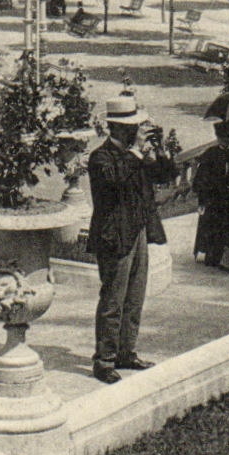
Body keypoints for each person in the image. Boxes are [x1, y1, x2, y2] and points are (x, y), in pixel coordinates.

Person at [86, 96, 177, 384]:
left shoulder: (132, 156)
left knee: (135, 298)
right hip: (114, 236)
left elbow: (167, 175)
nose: (135, 131)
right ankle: (104, 361)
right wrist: (137, 153)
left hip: (137, 231)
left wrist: (159, 150)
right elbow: (115, 180)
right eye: (130, 127)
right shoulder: (101, 158)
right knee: (113, 300)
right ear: (115, 128)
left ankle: (127, 352)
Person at [193, 120, 229, 271]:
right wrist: (202, 201)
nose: (225, 140)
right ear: (217, 137)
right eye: (222, 137)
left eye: (228, 137)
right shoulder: (210, 154)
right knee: (216, 228)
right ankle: (215, 258)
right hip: (215, 199)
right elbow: (200, 180)